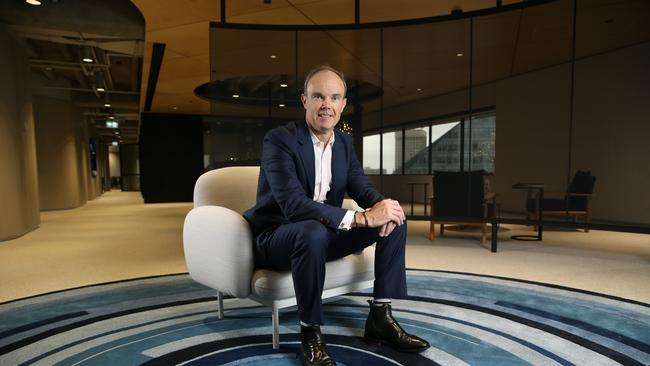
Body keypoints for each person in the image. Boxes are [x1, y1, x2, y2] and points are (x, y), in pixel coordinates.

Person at [244, 65, 430, 366]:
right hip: (277, 237)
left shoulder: (343, 143)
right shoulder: (280, 140)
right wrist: (361, 218)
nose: (326, 105)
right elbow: (293, 205)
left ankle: (380, 317)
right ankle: (310, 336)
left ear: (343, 104)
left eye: (334, 97)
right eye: (318, 96)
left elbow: (360, 186)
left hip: (323, 235)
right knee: (312, 231)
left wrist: (384, 206)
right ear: (304, 101)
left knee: (395, 219)